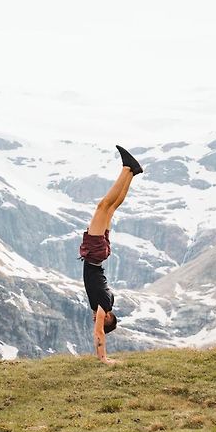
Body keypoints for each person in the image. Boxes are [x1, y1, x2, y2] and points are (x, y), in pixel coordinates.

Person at [79, 145, 143, 364]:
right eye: (100, 321)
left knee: (110, 209)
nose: (95, 321)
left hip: (100, 253)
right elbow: (99, 334)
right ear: (106, 318)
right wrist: (103, 358)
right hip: (94, 253)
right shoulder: (102, 307)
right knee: (103, 205)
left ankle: (131, 172)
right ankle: (127, 169)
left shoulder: (109, 300)